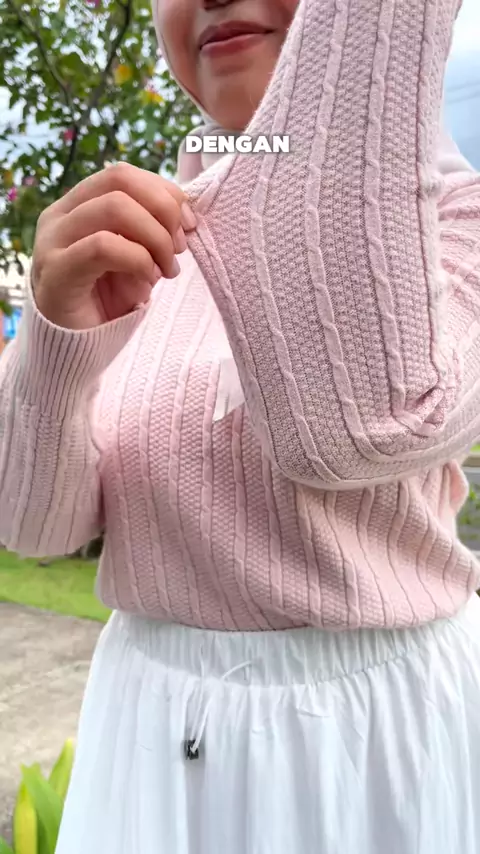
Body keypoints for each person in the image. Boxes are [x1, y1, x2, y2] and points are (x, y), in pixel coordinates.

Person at [1, 0, 480, 850]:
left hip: (368, 746)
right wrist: (55, 340)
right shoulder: (139, 231)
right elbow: (35, 528)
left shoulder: (459, 224)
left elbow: (361, 428)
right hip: (146, 730)